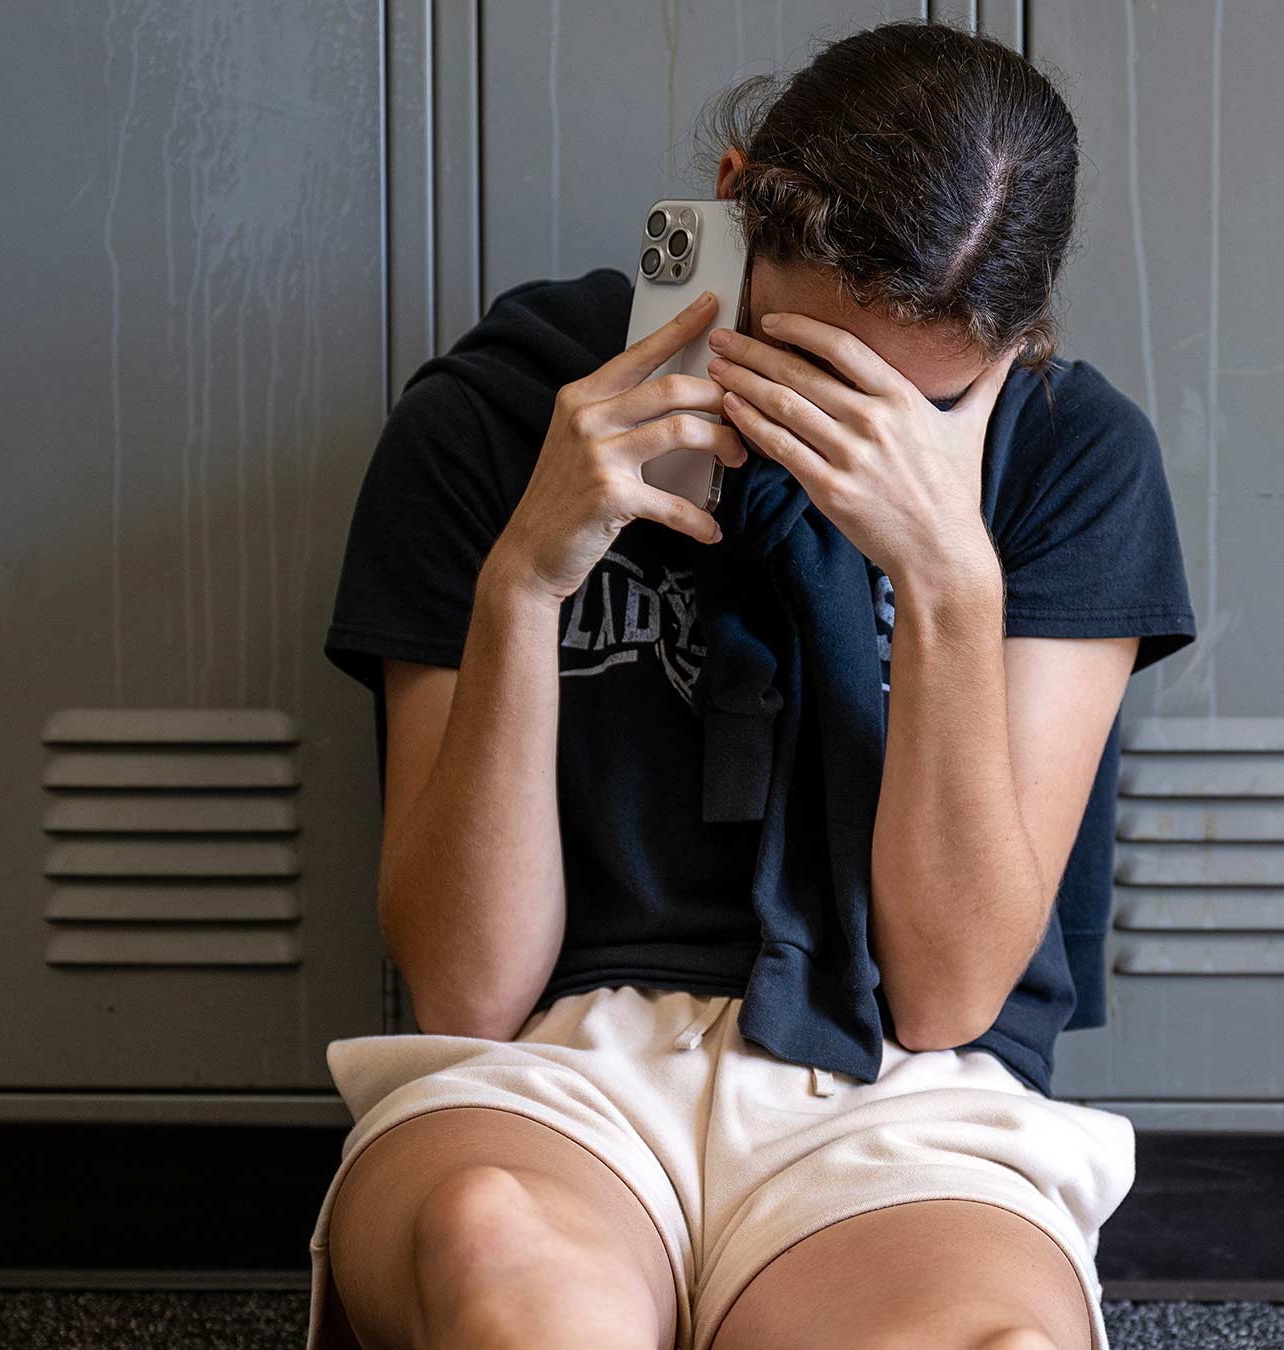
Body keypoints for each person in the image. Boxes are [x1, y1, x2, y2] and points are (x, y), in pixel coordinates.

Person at [305, 20, 1195, 1350]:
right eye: (806, 365)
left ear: (1014, 348)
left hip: (906, 1082)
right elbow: (466, 987)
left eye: (910, 404)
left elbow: (951, 994)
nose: (837, 440)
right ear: (729, 205)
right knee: (499, 1262)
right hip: (560, 1061)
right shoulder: (494, 421)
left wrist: (949, 576)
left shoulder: (1071, 461)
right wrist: (526, 580)